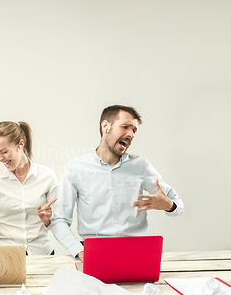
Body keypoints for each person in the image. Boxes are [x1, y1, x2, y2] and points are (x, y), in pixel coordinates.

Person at [51, 105, 184, 261]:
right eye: (125, 127)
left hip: (135, 250)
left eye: (134, 130)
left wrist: (169, 205)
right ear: (106, 126)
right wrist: (79, 251)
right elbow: (59, 220)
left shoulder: (141, 166)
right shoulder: (75, 169)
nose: (131, 134)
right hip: (94, 250)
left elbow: (177, 203)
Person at [0, 121, 58, 255]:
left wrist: (48, 220)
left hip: (42, 253)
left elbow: (58, 222)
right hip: (6, 255)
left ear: (21, 144)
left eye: (5, 151)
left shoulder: (47, 176)